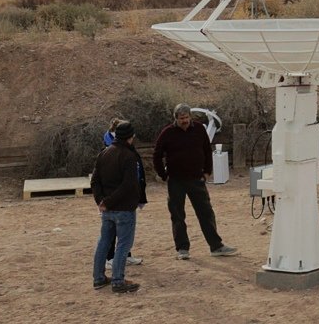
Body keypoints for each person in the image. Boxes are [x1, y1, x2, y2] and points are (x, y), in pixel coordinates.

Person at [153, 103, 237, 260]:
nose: (184, 121)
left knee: (206, 213)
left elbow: (207, 150)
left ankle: (216, 246)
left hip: (197, 180)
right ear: (175, 119)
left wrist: (207, 172)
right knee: (177, 215)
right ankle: (182, 249)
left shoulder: (199, 129)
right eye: (181, 118)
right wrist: (163, 175)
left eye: (186, 117)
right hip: (176, 181)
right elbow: (157, 155)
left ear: (190, 117)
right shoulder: (167, 133)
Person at [91, 122, 145, 293]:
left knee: (104, 242)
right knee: (123, 244)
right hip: (123, 208)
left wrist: (102, 201)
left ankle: (99, 278)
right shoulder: (129, 156)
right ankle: (118, 281)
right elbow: (129, 184)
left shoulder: (104, 153)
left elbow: (95, 181)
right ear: (131, 136)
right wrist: (110, 201)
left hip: (107, 209)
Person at [102, 119, 143, 267]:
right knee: (114, 232)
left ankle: (125, 255)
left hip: (119, 197)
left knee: (123, 232)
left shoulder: (123, 148)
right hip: (117, 196)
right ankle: (111, 259)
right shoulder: (111, 149)